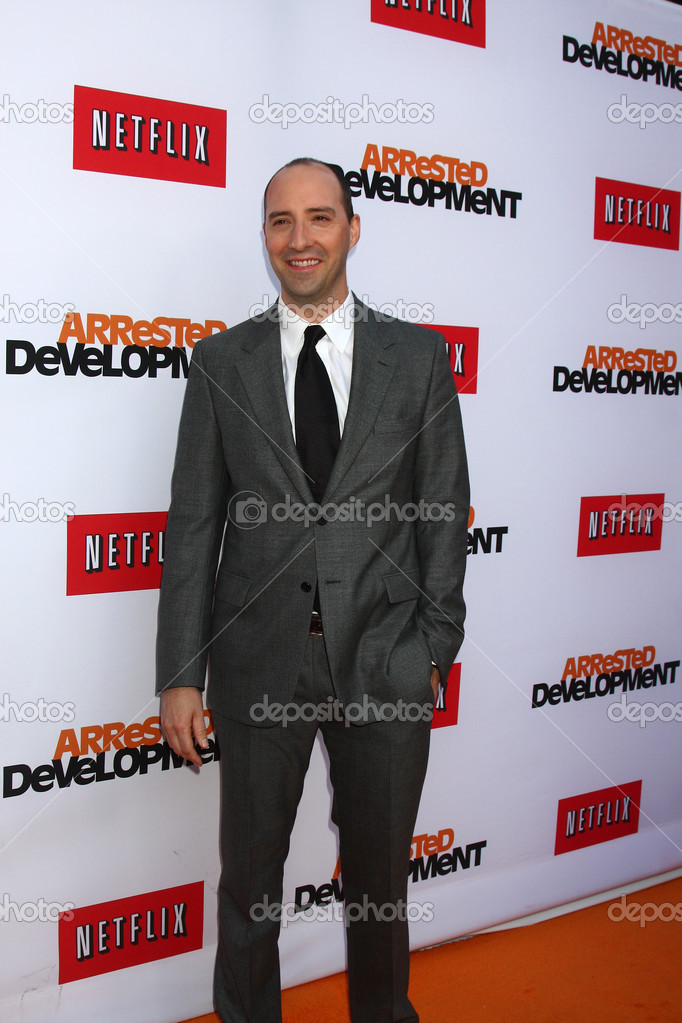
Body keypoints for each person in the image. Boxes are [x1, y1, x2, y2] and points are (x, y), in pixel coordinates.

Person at [156, 157, 469, 1023]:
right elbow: (193, 524)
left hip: (386, 658)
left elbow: (442, 507)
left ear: (353, 229)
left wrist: (431, 648)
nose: (300, 239)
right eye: (280, 221)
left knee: (378, 882)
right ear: (265, 235)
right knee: (250, 884)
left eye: (320, 218)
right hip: (261, 663)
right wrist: (182, 671)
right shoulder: (222, 362)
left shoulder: (419, 357)